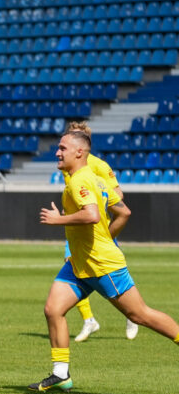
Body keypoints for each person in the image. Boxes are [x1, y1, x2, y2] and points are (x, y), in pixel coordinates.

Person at [32, 129, 179, 392]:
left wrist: (59, 221)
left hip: (102, 265)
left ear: (79, 152)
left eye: (62, 148)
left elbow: (91, 216)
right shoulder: (93, 179)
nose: (57, 152)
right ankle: (60, 374)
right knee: (53, 309)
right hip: (79, 263)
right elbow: (124, 211)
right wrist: (108, 238)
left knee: (140, 315)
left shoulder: (81, 181)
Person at [62, 121, 139, 342]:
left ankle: (132, 314)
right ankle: (89, 320)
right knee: (72, 266)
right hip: (77, 229)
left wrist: (95, 201)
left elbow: (118, 195)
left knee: (110, 279)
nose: (62, 148)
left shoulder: (98, 165)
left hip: (98, 228)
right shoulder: (66, 163)